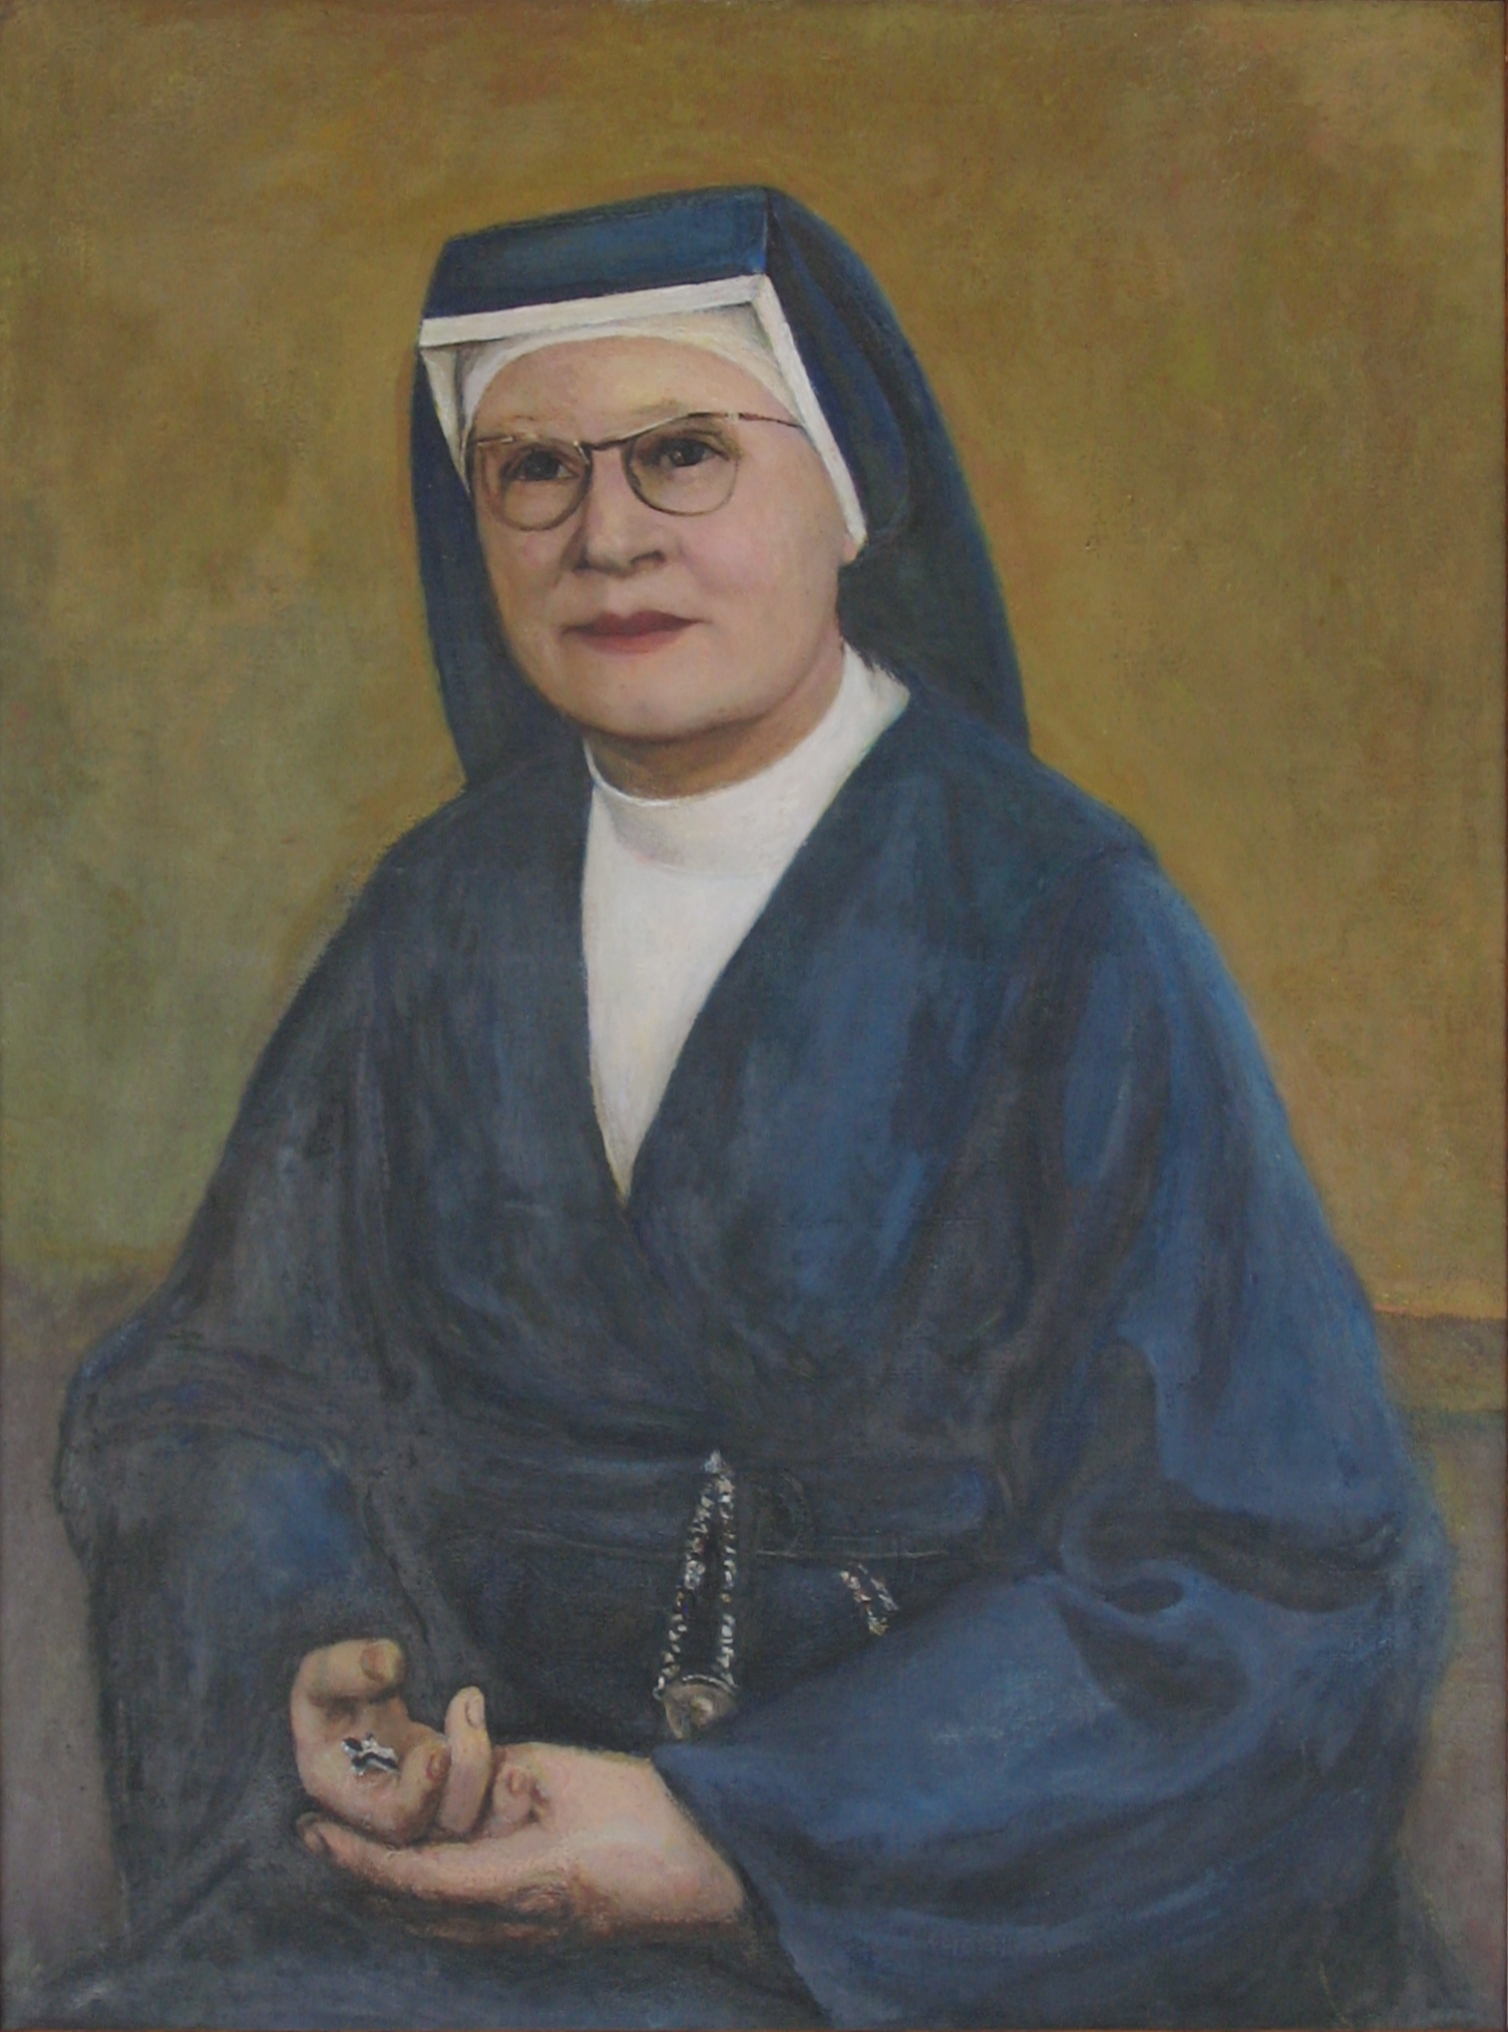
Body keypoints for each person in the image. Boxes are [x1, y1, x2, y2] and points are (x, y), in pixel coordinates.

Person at [49, 187, 1448, 2031]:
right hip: (477, 1866)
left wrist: (740, 1834)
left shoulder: (1065, 926)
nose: (606, 536)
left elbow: (1271, 1576)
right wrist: (324, 1666)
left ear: (849, 493)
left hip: (935, 1921)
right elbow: (221, 1394)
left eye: (684, 453)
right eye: (532, 472)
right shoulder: (439, 920)